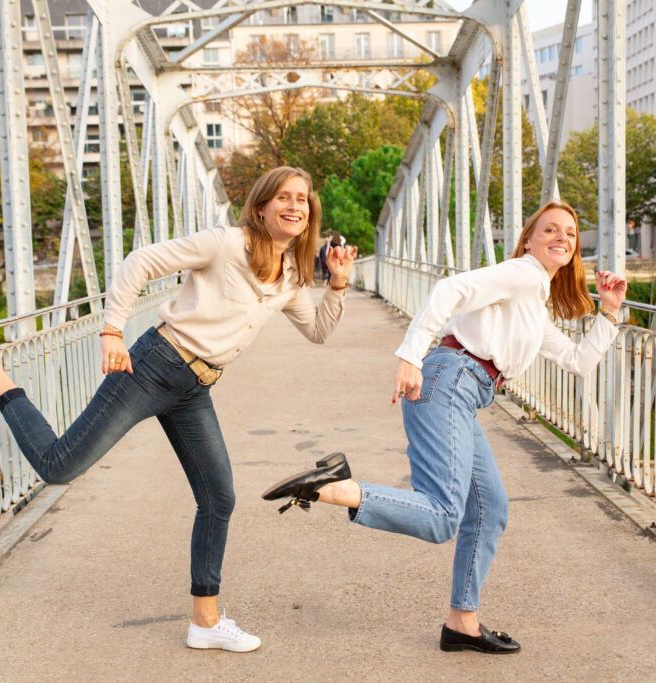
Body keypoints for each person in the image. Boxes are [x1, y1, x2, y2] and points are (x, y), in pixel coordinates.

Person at [0, 166, 358, 653]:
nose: (294, 206)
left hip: (195, 387)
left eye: (302, 200)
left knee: (219, 498)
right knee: (59, 467)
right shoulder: (224, 243)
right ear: (261, 207)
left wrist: (339, 285)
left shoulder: (289, 277)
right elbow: (140, 261)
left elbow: (320, 331)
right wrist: (112, 331)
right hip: (155, 365)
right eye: (283, 197)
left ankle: (205, 620)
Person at [262, 200, 627, 654]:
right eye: (550, 229)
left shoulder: (534, 301)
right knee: (441, 517)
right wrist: (409, 355)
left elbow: (578, 360)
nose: (562, 238)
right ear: (529, 239)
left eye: (570, 234)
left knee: (489, 509)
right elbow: (450, 289)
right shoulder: (524, 273)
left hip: (463, 390)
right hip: (450, 379)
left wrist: (610, 312)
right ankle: (334, 488)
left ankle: (462, 623)